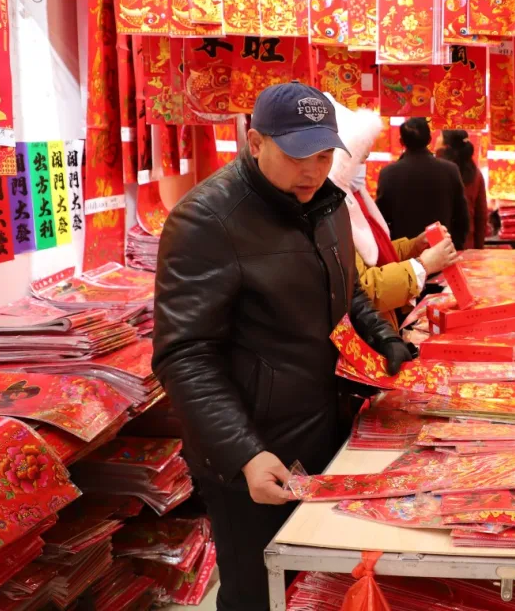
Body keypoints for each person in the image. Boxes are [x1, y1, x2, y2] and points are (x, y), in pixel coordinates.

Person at [152, 82, 415, 611]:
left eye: (323, 155)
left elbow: (343, 289)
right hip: (254, 447)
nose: (312, 171)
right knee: (257, 593)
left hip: (324, 428)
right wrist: (245, 453)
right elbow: (185, 355)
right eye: (297, 155)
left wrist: (384, 336)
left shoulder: (326, 203)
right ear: (255, 143)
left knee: (314, 585)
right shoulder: (207, 220)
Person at [327, 103, 458, 330]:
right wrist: (423, 264)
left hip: (388, 309)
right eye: (360, 160)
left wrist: (414, 245)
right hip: (371, 321)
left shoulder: (358, 192)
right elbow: (363, 287)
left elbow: (376, 252)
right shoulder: (332, 208)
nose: (362, 167)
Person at [375, 117, 470, 249]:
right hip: (440, 250)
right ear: (429, 139)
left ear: (401, 141)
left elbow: (381, 220)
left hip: (404, 255)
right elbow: (462, 217)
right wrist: (455, 246)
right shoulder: (450, 170)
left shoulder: (388, 173)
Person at [437, 130, 489, 249]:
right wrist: (478, 247)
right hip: (467, 244)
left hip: (438, 244)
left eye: (440, 136)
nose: (437, 139)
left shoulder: (438, 170)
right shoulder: (475, 174)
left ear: (446, 146)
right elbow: (481, 216)